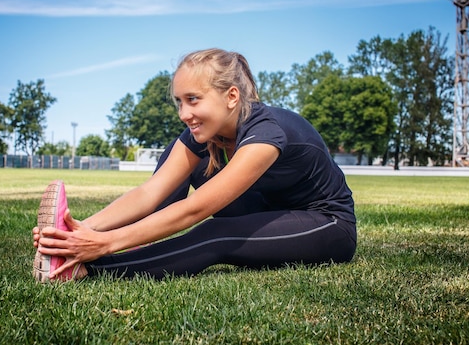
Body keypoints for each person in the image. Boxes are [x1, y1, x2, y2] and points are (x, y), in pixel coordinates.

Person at [32, 48, 357, 282]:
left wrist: (106, 244)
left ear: (231, 97)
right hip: (268, 208)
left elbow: (196, 210)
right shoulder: (205, 133)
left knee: (216, 234)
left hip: (326, 223)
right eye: (180, 101)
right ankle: (131, 242)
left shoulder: (265, 132)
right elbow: (151, 193)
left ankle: (90, 268)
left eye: (194, 99)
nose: (184, 113)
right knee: (180, 154)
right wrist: (82, 230)